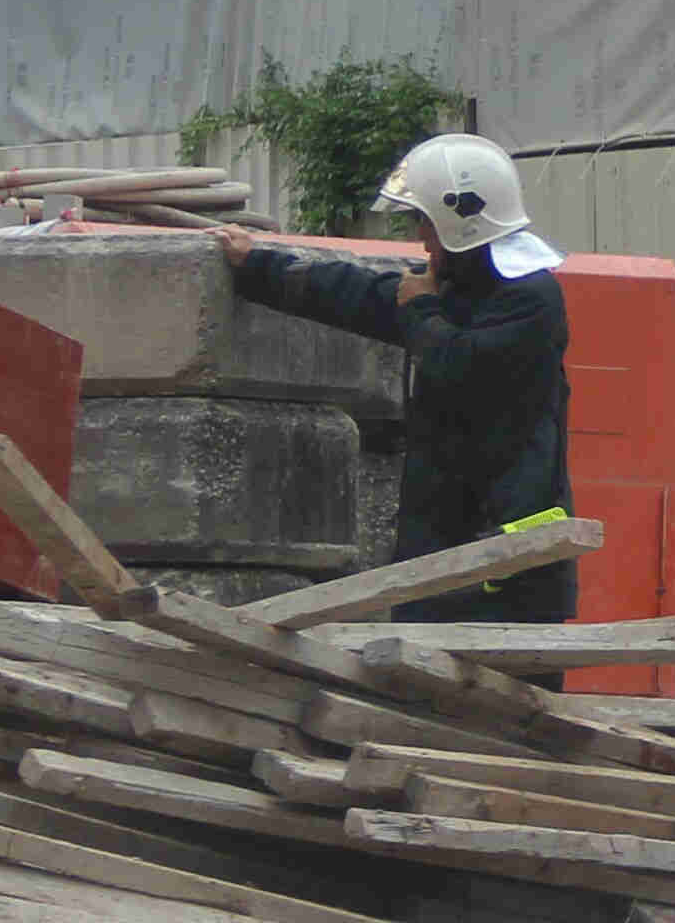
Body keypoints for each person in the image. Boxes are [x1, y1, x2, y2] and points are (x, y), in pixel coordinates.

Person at [219, 135, 573, 621]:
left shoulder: (532, 300)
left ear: (459, 222)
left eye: (425, 222)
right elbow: (356, 295)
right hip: (450, 555)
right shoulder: (454, 292)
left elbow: (459, 365)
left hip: (511, 571)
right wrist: (257, 266)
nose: (421, 238)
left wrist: (421, 307)